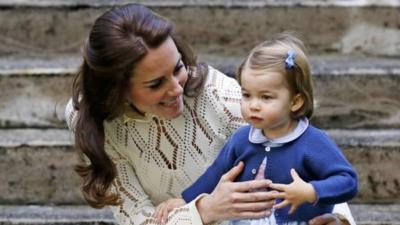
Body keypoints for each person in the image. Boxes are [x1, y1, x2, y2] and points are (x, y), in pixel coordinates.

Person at [65, 3, 356, 225]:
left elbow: (305, 155)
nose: (177, 89)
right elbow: (137, 219)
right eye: (156, 83)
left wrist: (336, 218)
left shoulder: (218, 95)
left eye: (178, 68)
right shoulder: (90, 120)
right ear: (117, 91)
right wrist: (204, 209)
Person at [155, 33, 358, 225]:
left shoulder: (311, 142)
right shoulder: (242, 139)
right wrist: (186, 200)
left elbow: (347, 180)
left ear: (295, 102)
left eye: (266, 97)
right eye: (246, 95)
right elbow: (216, 172)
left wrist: (311, 191)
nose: (253, 105)